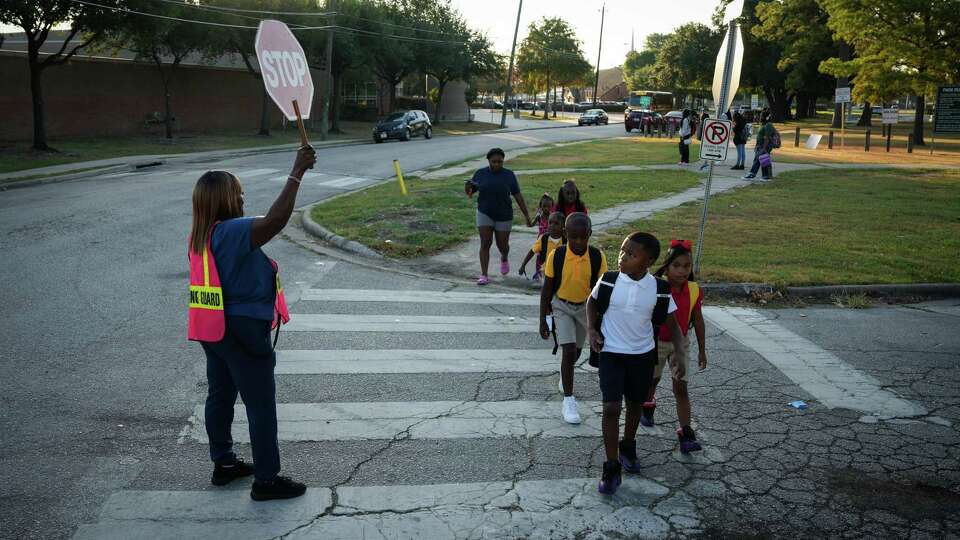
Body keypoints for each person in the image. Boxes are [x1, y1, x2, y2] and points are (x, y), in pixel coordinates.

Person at [188, 145, 317, 501]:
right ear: (226, 199)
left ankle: (224, 464)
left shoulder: (202, 233)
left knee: (220, 396)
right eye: (239, 193)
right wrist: (297, 172)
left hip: (212, 329)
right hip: (243, 329)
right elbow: (275, 221)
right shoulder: (231, 231)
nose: (244, 198)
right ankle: (266, 480)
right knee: (260, 405)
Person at [586, 232, 686, 495]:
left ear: (648, 261)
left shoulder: (659, 289)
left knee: (634, 404)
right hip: (611, 352)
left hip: (642, 355)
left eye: (631, 254)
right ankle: (610, 466)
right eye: (622, 251)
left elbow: (674, 325)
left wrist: (680, 355)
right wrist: (591, 330)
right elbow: (592, 302)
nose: (623, 257)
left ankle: (628, 445)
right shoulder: (608, 281)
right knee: (610, 407)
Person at [640, 240, 707, 454]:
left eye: (686, 266)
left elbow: (698, 321)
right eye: (676, 265)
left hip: (681, 344)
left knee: (681, 386)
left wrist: (702, 350)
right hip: (656, 342)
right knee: (652, 379)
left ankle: (686, 433)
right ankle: (647, 405)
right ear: (667, 266)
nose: (682, 271)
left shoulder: (695, 290)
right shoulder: (657, 286)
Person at [539, 213, 607, 424]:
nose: (578, 242)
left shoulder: (597, 257)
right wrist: (543, 319)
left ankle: (564, 372)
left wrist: (601, 320)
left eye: (583, 237)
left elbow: (601, 291)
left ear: (589, 235)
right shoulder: (557, 256)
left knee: (576, 351)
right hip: (561, 306)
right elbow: (547, 290)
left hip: (585, 309)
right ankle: (569, 400)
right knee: (568, 350)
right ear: (566, 234)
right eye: (574, 237)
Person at [465, 148, 533, 285]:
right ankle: (484, 275)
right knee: (485, 243)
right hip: (484, 212)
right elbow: (470, 192)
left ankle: (504, 257)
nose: (497, 164)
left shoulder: (509, 175)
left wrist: (526, 215)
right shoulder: (480, 173)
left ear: (503, 161)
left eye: (500, 162)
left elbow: (517, 195)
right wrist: (468, 187)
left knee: (502, 245)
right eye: (494, 162)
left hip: (504, 214)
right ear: (488, 161)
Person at [519, 211, 564, 282]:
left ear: (563, 226)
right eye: (550, 223)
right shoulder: (543, 238)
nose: (552, 226)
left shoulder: (566, 240)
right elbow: (532, 252)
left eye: (556, 223)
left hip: (561, 272)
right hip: (545, 272)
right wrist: (523, 265)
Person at [743, 110, 776, 180]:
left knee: (761, 160)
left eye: (761, 116)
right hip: (760, 146)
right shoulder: (764, 125)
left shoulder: (768, 125)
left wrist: (764, 148)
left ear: (766, 117)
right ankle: (765, 176)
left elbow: (767, 137)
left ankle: (755, 174)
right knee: (761, 160)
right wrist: (756, 146)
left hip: (764, 146)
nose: (760, 117)